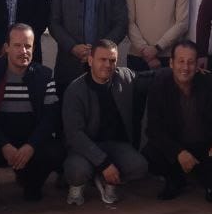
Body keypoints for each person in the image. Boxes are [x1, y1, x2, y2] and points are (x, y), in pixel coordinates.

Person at [144, 40, 212, 203]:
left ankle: (211, 184)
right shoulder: (159, 86)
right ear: (171, 63)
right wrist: (177, 152)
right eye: (181, 61)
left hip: (208, 147)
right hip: (178, 146)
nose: (185, 67)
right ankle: (175, 180)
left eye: (190, 62)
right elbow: (153, 128)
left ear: (197, 65)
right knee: (151, 153)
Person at [0, 23, 64, 202]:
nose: (23, 51)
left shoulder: (45, 75)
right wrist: (4, 145)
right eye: (17, 45)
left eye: (28, 46)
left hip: (29, 143)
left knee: (56, 152)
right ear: (6, 47)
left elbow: (50, 118)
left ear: (33, 48)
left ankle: (32, 184)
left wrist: (30, 146)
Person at [61, 39, 148, 205]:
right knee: (77, 171)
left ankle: (106, 179)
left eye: (112, 60)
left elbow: (150, 78)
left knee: (139, 167)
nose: (108, 65)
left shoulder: (124, 77)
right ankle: (78, 184)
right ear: (90, 60)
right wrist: (104, 163)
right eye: (102, 59)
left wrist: (180, 69)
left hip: (116, 145)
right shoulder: (75, 90)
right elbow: (74, 135)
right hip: (85, 147)